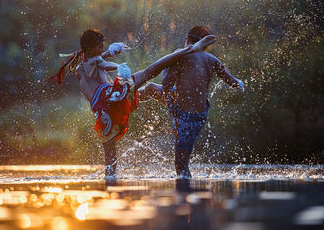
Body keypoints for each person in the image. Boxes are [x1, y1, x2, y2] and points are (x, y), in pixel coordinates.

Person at [49, 28, 217, 178]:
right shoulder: (96, 62)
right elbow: (105, 65)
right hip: (113, 95)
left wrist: (107, 52)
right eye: (100, 46)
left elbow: (92, 63)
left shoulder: (81, 68)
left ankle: (111, 183)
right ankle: (191, 49)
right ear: (91, 48)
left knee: (110, 157)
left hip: (102, 111)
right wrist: (116, 62)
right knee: (150, 70)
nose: (102, 49)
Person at [161, 25, 244, 178]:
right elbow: (236, 84)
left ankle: (129, 95)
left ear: (187, 40)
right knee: (184, 163)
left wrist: (166, 66)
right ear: (205, 45)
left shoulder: (181, 55)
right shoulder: (212, 60)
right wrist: (238, 82)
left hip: (182, 115)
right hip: (200, 117)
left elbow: (166, 84)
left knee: (181, 168)